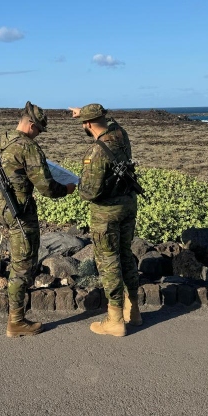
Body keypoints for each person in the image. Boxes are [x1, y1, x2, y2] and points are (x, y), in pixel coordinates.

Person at [0, 101, 76, 337]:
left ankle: (16, 317)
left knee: (18, 260)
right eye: (38, 129)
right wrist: (67, 189)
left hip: (2, 206)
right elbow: (47, 187)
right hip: (20, 210)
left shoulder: (4, 139)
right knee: (22, 265)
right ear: (30, 124)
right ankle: (16, 322)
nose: (38, 134)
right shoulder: (28, 147)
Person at [70, 103, 141, 337]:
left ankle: (115, 319)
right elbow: (110, 124)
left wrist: (76, 186)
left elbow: (89, 192)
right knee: (125, 253)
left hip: (106, 213)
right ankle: (134, 310)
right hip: (128, 204)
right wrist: (88, 114)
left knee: (108, 261)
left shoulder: (96, 152)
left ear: (88, 124)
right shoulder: (121, 135)